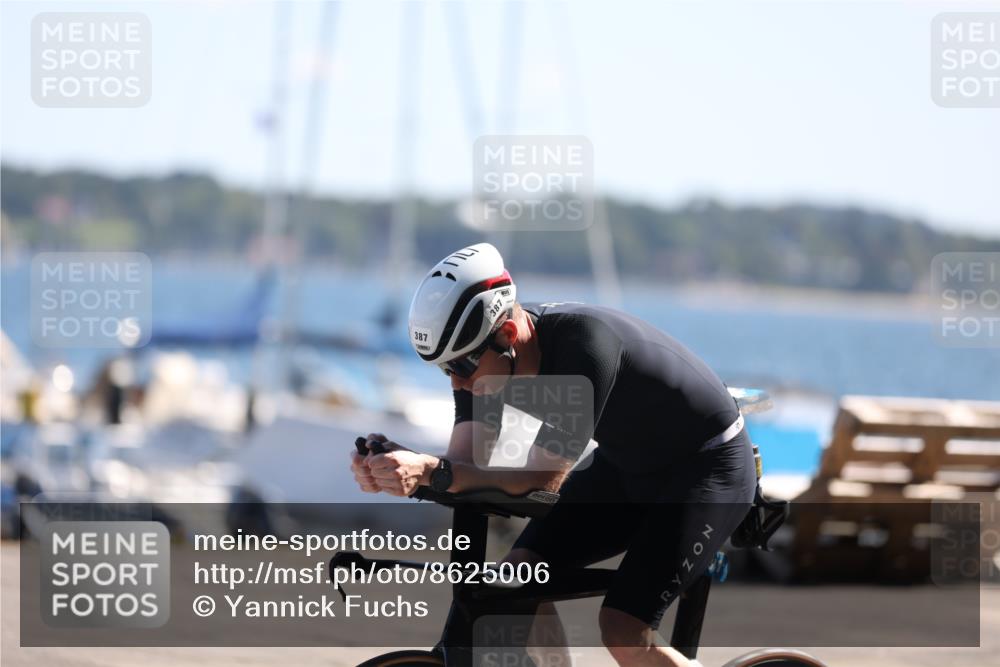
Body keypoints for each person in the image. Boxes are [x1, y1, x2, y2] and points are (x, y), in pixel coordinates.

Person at [350, 243, 755, 667]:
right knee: (515, 582)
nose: (457, 382)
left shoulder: (581, 348)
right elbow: (465, 466)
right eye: (445, 369)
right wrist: (404, 466)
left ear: (508, 335)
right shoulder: (488, 361)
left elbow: (540, 480)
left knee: (622, 629)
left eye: (464, 366)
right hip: (627, 469)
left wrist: (434, 471)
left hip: (706, 468)